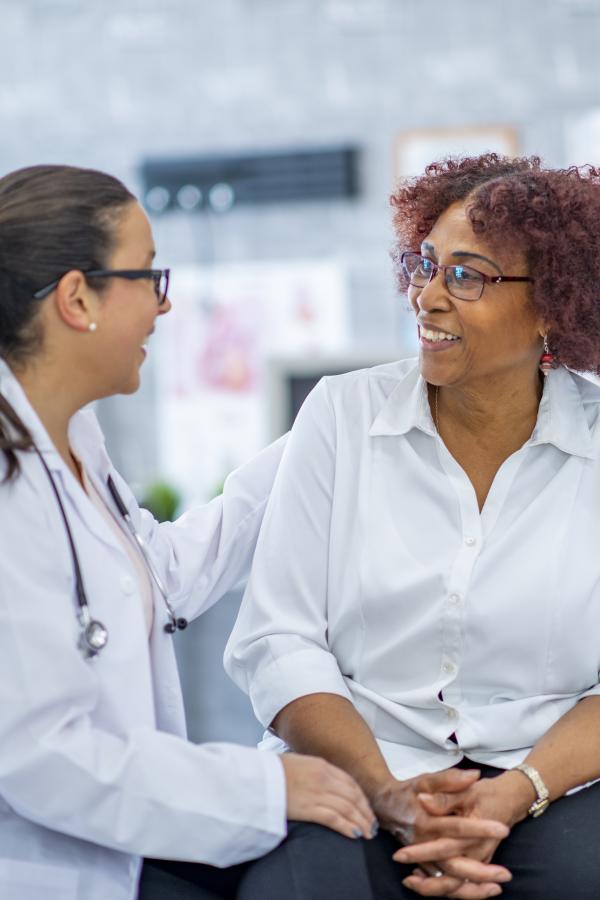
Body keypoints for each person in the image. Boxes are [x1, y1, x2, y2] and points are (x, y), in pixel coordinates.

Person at [0, 163, 387, 900]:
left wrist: (326, 433)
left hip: (119, 838)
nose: (165, 302)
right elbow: (42, 757)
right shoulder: (9, 486)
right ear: (77, 298)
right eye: (148, 274)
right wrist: (264, 787)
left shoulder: (72, 436)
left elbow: (157, 574)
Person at [225, 154, 600, 900]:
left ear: (554, 305)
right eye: (424, 265)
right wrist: (387, 794)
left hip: (548, 774)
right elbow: (279, 639)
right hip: (359, 766)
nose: (426, 296)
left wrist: (515, 792)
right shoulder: (341, 415)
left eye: (466, 276)